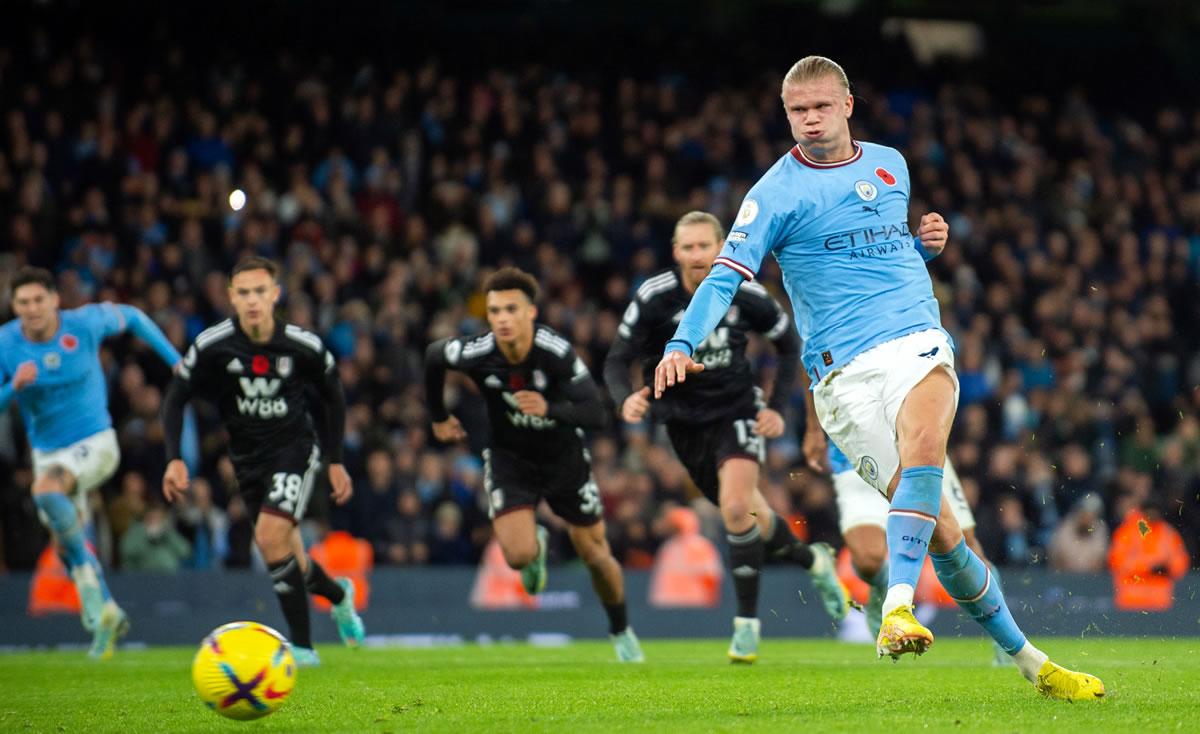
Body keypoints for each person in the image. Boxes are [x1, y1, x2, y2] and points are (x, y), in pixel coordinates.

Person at [653, 56, 1102, 700]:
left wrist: (923, 247)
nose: (809, 120)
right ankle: (1033, 663)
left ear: (847, 105)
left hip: (916, 340)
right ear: (787, 115)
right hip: (841, 374)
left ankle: (895, 606)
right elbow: (724, 275)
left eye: (820, 107)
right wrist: (682, 341)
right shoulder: (773, 194)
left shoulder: (891, 164)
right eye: (796, 111)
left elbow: (882, 251)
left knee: (925, 448)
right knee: (944, 535)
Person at [604, 210, 849, 663]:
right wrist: (625, 398)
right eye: (688, 247)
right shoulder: (654, 297)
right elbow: (617, 358)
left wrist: (775, 410)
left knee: (736, 509)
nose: (697, 256)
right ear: (675, 251)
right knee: (752, 516)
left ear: (722, 248)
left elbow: (790, 344)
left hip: (738, 411)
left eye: (705, 246)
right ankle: (814, 561)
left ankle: (746, 627)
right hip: (682, 423)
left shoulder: (746, 293)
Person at [424, 266, 644, 662]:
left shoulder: (555, 353)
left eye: (511, 309)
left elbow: (596, 413)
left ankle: (621, 629)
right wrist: (438, 416)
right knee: (517, 556)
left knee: (595, 555)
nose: (502, 319)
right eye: (494, 311)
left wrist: (551, 408)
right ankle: (536, 546)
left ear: (530, 313)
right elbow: (434, 356)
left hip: (564, 459)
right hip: (511, 459)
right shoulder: (477, 352)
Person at [160, 256, 365, 666]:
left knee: (271, 540)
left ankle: (303, 649)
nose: (253, 300)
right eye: (244, 293)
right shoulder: (212, 344)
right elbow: (176, 396)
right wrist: (174, 459)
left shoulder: (301, 344)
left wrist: (336, 459)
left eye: (260, 291)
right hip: (247, 460)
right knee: (290, 558)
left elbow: (334, 395)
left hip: (294, 450)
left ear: (275, 294)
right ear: (231, 297)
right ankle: (340, 596)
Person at [0, 266, 182, 658]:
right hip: (46, 452)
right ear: (13, 305)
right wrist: (11, 388)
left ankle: (97, 604)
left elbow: (133, 317)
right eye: (22, 302)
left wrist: (175, 361)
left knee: (46, 491)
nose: (31, 308)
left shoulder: (83, 324)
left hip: (95, 442)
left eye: (38, 300)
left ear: (54, 300)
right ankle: (106, 613)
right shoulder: (5, 344)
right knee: (66, 545)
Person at [819, 440, 1010, 664]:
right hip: (861, 447)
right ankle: (881, 588)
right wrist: (814, 429)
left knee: (967, 548)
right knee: (867, 563)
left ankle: (1005, 641)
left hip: (920, 450)